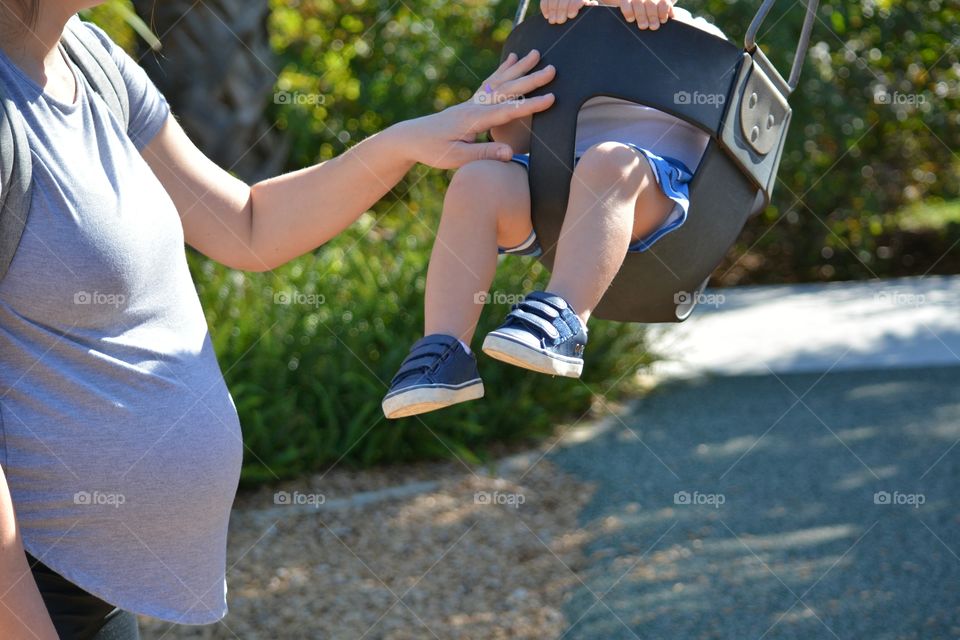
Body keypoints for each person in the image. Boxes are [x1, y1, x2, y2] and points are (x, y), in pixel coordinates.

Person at [0, 1, 556, 638]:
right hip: (34, 591)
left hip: (96, 588)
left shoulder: (90, 60)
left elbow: (248, 226)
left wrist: (408, 141)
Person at [382, 0, 727, 419]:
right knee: (477, 178)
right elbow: (509, 133)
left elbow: (728, 129)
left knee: (608, 161)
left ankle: (564, 322)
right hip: (553, 182)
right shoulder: (557, 30)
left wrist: (662, 21)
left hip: (648, 190)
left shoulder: (695, 35)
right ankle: (445, 351)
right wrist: (496, 92)